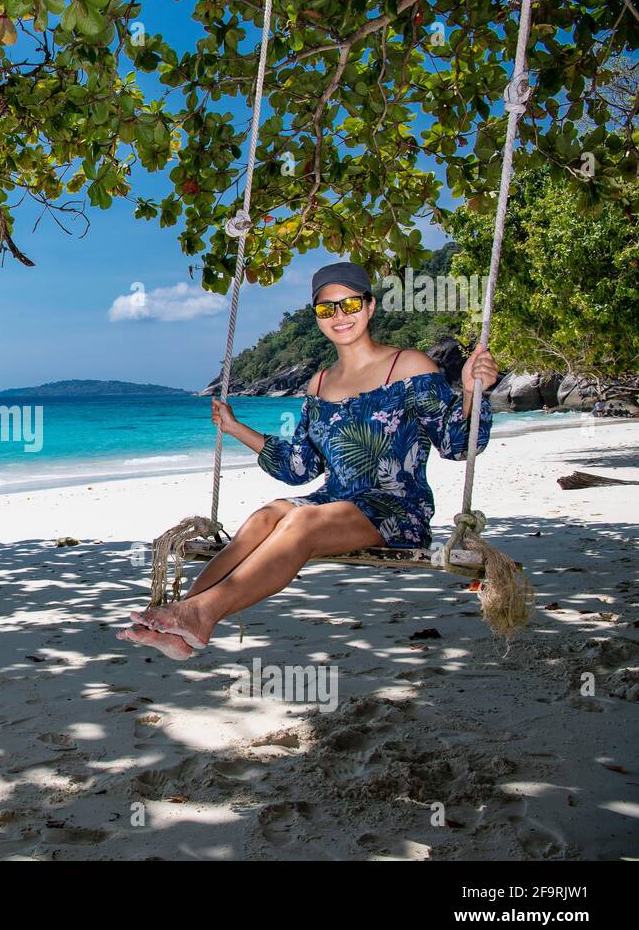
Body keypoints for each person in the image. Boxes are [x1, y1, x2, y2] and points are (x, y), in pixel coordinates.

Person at [119, 261, 499, 660]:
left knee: (298, 519)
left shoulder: (409, 366)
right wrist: (235, 428)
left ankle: (203, 615)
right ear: (316, 316)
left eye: (349, 305)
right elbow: (299, 468)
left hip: (394, 507)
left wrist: (474, 392)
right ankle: (181, 619)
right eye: (326, 309)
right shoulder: (318, 383)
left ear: (369, 307)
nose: (339, 316)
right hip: (332, 501)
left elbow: (457, 444)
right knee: (267, 515)